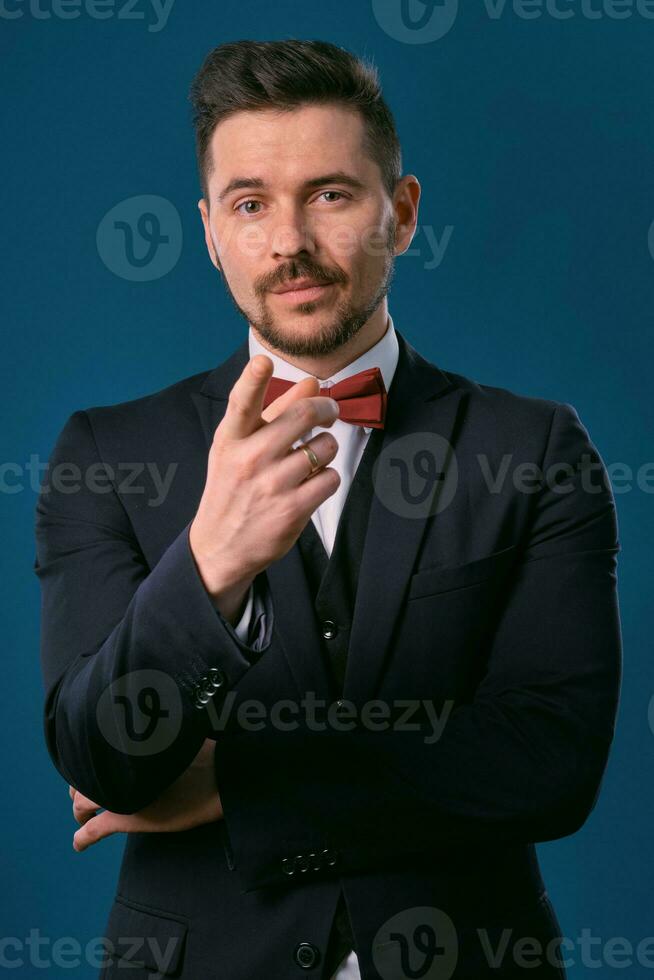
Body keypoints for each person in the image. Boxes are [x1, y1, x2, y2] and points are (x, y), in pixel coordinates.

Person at [35, 38, 622, 980]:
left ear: (403, 213)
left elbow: (550, 765)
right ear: (212, 232)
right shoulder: (105, 457)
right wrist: (211, 568)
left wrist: (238, 782)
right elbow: (103, 764)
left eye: (331, 195)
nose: (290, 243)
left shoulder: (535, 449)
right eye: (252, 203)